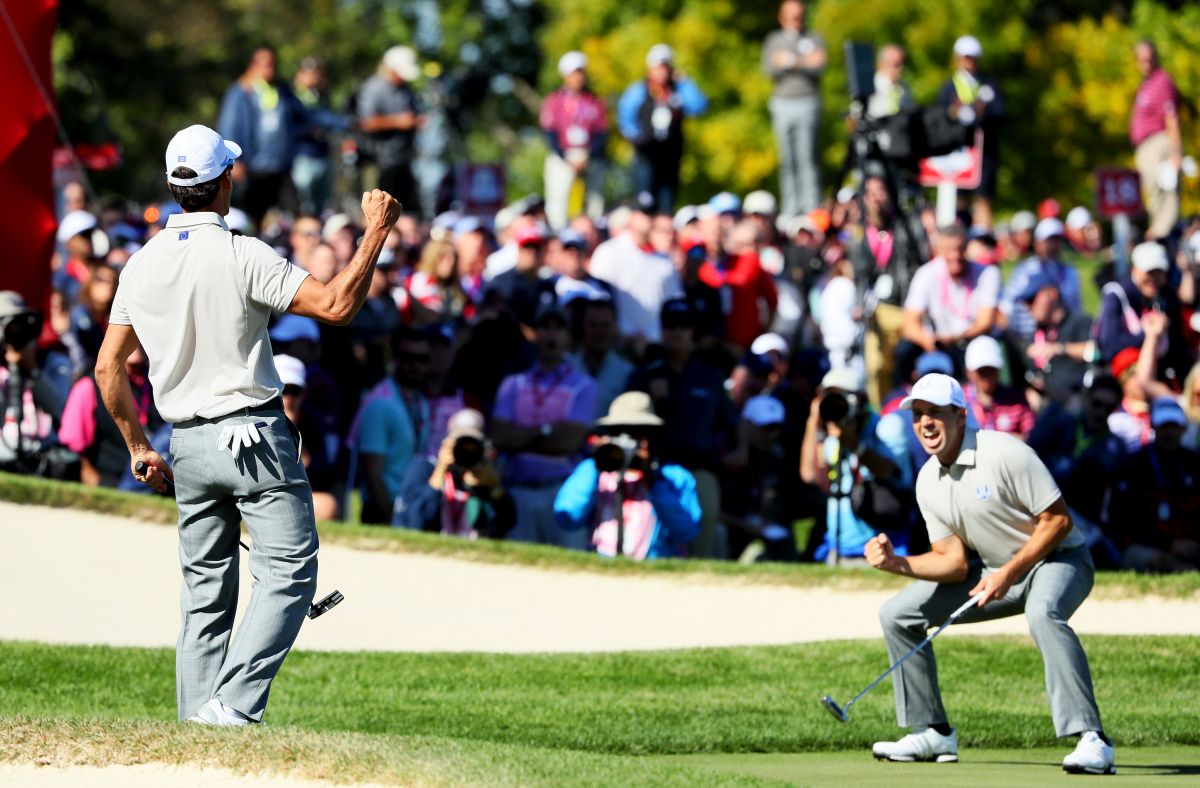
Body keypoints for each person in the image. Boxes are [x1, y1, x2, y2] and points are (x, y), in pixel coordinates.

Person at [95, 124, 400, 725]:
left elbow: (108, 367)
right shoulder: (241, 253)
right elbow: (338, 306)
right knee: (289, 569)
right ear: (225, 182)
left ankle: (198, 729)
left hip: (185, 443)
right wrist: (377, 232)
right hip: (253, 437)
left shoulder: (139, 265)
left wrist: (138, 446)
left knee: (205, 593)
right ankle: (232, 708)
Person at [866, 373, 1114, 775]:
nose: (926, 423)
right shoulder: (928, 480)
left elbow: (1057, 522)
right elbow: (953, 562)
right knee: (897, 614)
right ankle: (932, 731)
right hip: (997, 574)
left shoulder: (1004, 452)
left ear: (960, 416)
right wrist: (897, 564)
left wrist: (1008, 573)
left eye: (936, 413)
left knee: (1043, 613)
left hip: (1061, 561)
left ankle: (1092, 739)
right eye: (918, 415)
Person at [628, 299, 740, 558]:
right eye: (670, 325)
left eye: (684, 325)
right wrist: (652, 403)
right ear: (662, 329)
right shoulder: (644, 375)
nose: (676, 332)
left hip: (699, 469)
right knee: (648, 542)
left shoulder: (709, 377)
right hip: (653, 472)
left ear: (693, 331)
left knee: (702, 537)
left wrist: (740, 449)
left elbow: (733, 423)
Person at [491, 304, 597, 548]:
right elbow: (499, 436)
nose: (551, 336)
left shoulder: (583, 386)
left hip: (560, 492)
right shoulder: (513, 384)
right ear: (535, 334)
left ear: (569, 337)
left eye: (559, 329)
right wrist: (546, 430)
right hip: (516, 490)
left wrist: (520, 436)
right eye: (545, 328)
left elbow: (569, 442)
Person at [554, 391, 701, 559]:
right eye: (618, 431)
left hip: (650, 570)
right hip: (601, 566)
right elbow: (567, 518)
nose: (626, 439)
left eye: (637, 432)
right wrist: (599, 463)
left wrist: (652, 481)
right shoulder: (592, 470)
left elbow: (687, 531)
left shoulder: (673, 477)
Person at [799, 366, 912, 562]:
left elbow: (887, 471)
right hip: (839, 548)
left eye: (841, 397)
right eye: (829, 397)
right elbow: (809, 475)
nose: (836, 405)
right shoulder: (830, 433)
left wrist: (854, 444)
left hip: (884, 548)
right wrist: (813, 420)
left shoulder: (886, 426)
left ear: (860, 399)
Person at [217, 48, 304, 227]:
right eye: (265, 65)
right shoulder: (241, 92)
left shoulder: (282, 90)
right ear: (253, 66)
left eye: (272, 64)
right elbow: (229, 126)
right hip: (254, 169)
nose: (270, 69)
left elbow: (305, 114)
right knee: (251, 218)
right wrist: (234, 160)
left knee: (296, 216)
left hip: (280, 168)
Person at [353, 327, 431, 524]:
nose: (415, 365)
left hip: (410, 507)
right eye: (407, 358)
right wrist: (390, 518)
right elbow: (372, 474)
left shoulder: (419, 400)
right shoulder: (379, 403)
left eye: (423, 359)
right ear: (394, 358)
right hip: (383, 511)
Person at [617, 44, 708, 214]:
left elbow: (699, 105)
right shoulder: (639, 91)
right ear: (650, 68)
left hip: (671, 156)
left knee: (667, 203)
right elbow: (625, 117)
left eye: (665, 67)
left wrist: (684, 82)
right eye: (658, 67)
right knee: (644, 203)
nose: (662, 72)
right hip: (646, 157)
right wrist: (637, 138)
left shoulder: (678, 90)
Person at [900, 224, 1000, 376]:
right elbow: (909, 324)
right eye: (949, 250)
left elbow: (985, 322)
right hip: (936, 342)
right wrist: (928, 341)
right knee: (903, 351)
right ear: (938, 250)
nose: (955, 255)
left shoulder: (987, 273)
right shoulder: (926, 273)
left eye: (960, 249)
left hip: (970, 339)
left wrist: (954, 338)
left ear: (967, 248)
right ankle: (901, 394)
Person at [762, 1, 826, 218]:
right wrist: (803, 62)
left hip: (807, 102)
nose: (796, 21)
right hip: (783, 104)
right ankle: (791, 209)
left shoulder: (813, 38)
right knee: (787, 160)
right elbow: (770, 68)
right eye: (791, 17)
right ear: (782, 18)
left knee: (807, 158)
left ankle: (811, 209)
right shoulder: (775, 40)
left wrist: (790, 61)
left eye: (799, 16)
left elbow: (818, 65)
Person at [937, 36, 1004, 229]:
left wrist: (983, 112)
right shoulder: (948, 87)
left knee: (983, 197)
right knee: (958, 198)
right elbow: (939, 118)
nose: (969, 62)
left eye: (973, 58)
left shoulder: (989, 85)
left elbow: (1000, 114)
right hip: (957, 153)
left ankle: (983, 242)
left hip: (984, 154)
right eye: (965, 57)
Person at [541, 52, 609, 229]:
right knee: (558, 197)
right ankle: (557, 231)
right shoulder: (554, 101)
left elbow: (602, 132)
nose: (578, 77)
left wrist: (589, 156)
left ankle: (594, 230)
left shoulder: (594, 101)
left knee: (595, 199)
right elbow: (549, 133)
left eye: (580, 72)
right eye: (573, 73)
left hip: (589, 155)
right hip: (563, 154)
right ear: (564, 75)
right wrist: (566, 157)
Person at [358, 46, 426, 215]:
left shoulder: (406, 90)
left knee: (406, 211)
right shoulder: (374, 89)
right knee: (379, 211)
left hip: (404, 159)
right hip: (381, 161)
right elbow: (366, 122)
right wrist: (398, 121)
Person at [1131, 41, 1182, 241]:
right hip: (1147, 146)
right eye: (1142, 60)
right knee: (1153, 193)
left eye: (1150, 58)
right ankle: (1157, 230)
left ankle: (1162, 233)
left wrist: (1176, 153)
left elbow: (1172, 118)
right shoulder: (1148, 83)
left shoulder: (1162, 81)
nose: (1146, 63)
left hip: (1160, 143)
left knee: (1165, 190)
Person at [1000, 218, 1082, 343]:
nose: (1053, 245)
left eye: (1056, 240)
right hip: (1024, 336)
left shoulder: (1069, 271)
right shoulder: (1025, 270)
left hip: (1060, 336)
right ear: (1037, 242)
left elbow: (1075, 306)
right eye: (1048, 240)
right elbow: (1007, 304)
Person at [567, 298, 632, 420]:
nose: (600, 332)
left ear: (615, 328)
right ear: (583, 327)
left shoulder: (627, 373)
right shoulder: (565, 369)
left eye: (605, 325)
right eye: (593, 325)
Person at [962, 335, 1035, 440]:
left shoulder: (1016, 399)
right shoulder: (959, 400)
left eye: (991, 370)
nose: (987, 376)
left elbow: (1031, 438)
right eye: (982, 371)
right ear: (969, 372)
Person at [867, 44, 915, 120]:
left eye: (902, 63)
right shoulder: (870, 84)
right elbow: (854, 117)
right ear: (882, 64)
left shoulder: (904, 87)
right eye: (896, 64)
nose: (901, 68)